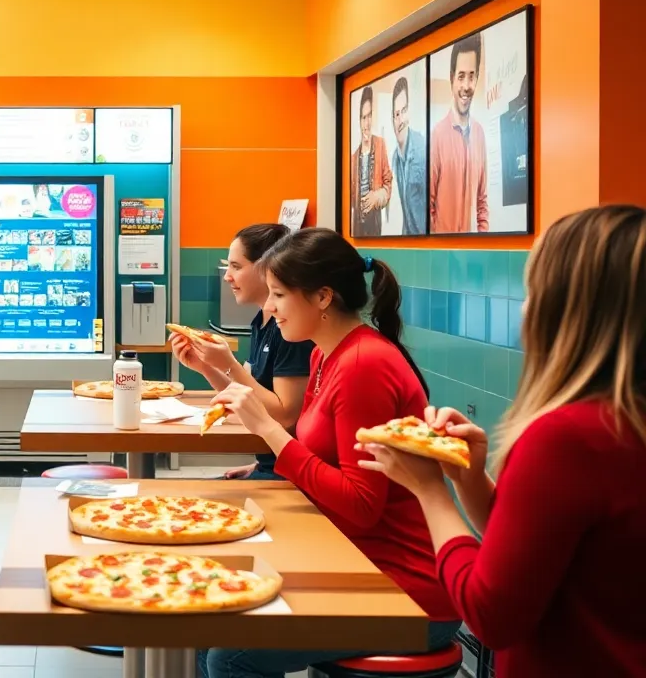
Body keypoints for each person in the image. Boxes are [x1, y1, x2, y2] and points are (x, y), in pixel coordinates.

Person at [358, 205, 646, 677]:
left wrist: (431, 490)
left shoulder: (568, 438)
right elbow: (539, 553)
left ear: (564, 309)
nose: (524, 306)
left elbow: (489, 614)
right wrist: (471, 481)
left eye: (533, 291)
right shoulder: (622, 426)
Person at [198, 228, 459, 678]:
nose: (270, 307)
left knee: (230, 654)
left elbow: (362, 506)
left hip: (406, 588)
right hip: (351, 557)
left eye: (279, 294)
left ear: (322, 297)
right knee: (208, 614)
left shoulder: (363, 366)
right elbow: (327, 459)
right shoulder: (325, 354)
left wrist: (271, 435)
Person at [169, 223, 312, 480]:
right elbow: (245, 396)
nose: (227, 276)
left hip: (290, 473)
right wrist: (205, 366)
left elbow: (285, 417)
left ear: (267, 268)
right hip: (270, 464)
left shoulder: (292, 330)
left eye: (236, 266)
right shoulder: (261, 320)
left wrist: (229, 364)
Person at [430, 33, 488, 233]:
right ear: (452, 79)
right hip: (442, 256)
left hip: (474, 258)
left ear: (477, 78)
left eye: (472, 76)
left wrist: (484, 245)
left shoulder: (480, 134)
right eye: (461, 76)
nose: (466, 86)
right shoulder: (437, 135)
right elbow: (428, 207)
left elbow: (482, 202)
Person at [351, 86, 392, 237]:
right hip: (357, 227)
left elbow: (388, 183)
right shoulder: (354, 158)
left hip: (375, 223)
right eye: (363, 117)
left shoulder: (380, 145)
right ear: (359, 120)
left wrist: (378, 196)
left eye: (369, 116)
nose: (367, 123)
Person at [390, 75, 427, 235]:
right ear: (392, 119)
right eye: (396, 114)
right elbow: (407, 215)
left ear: (409, 112)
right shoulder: (395, 159)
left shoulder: (422, 148)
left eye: (403, 111)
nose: (400, 120)